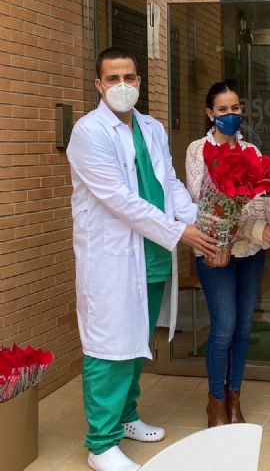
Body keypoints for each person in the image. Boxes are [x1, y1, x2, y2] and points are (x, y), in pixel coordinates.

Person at [67, 47, 218, 471]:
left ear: (139, 82)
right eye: (112, 79)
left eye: (129, 78)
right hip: (112, 257)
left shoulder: (151, 127)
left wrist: (195, 221)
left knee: (136, 341)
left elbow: (167, 181)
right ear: (98, 84)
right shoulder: (89, 132)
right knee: (107, 346)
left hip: (149, 254)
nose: (121, 86)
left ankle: (127, 416)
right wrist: (179, 232)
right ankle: (101, 443)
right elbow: (119, 199)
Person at [185, 82, 270, 427]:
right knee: (224, 326)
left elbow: (260, 202)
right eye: (224, 109)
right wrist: (257, 229)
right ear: (209, 113)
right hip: (214, 250)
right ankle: (215, 401)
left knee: (244, 327)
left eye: (236, 108)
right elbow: (210, 208)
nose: (231, 115)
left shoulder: (253, 152)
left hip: (251, 253)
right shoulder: (197, 151)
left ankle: (234, 397)